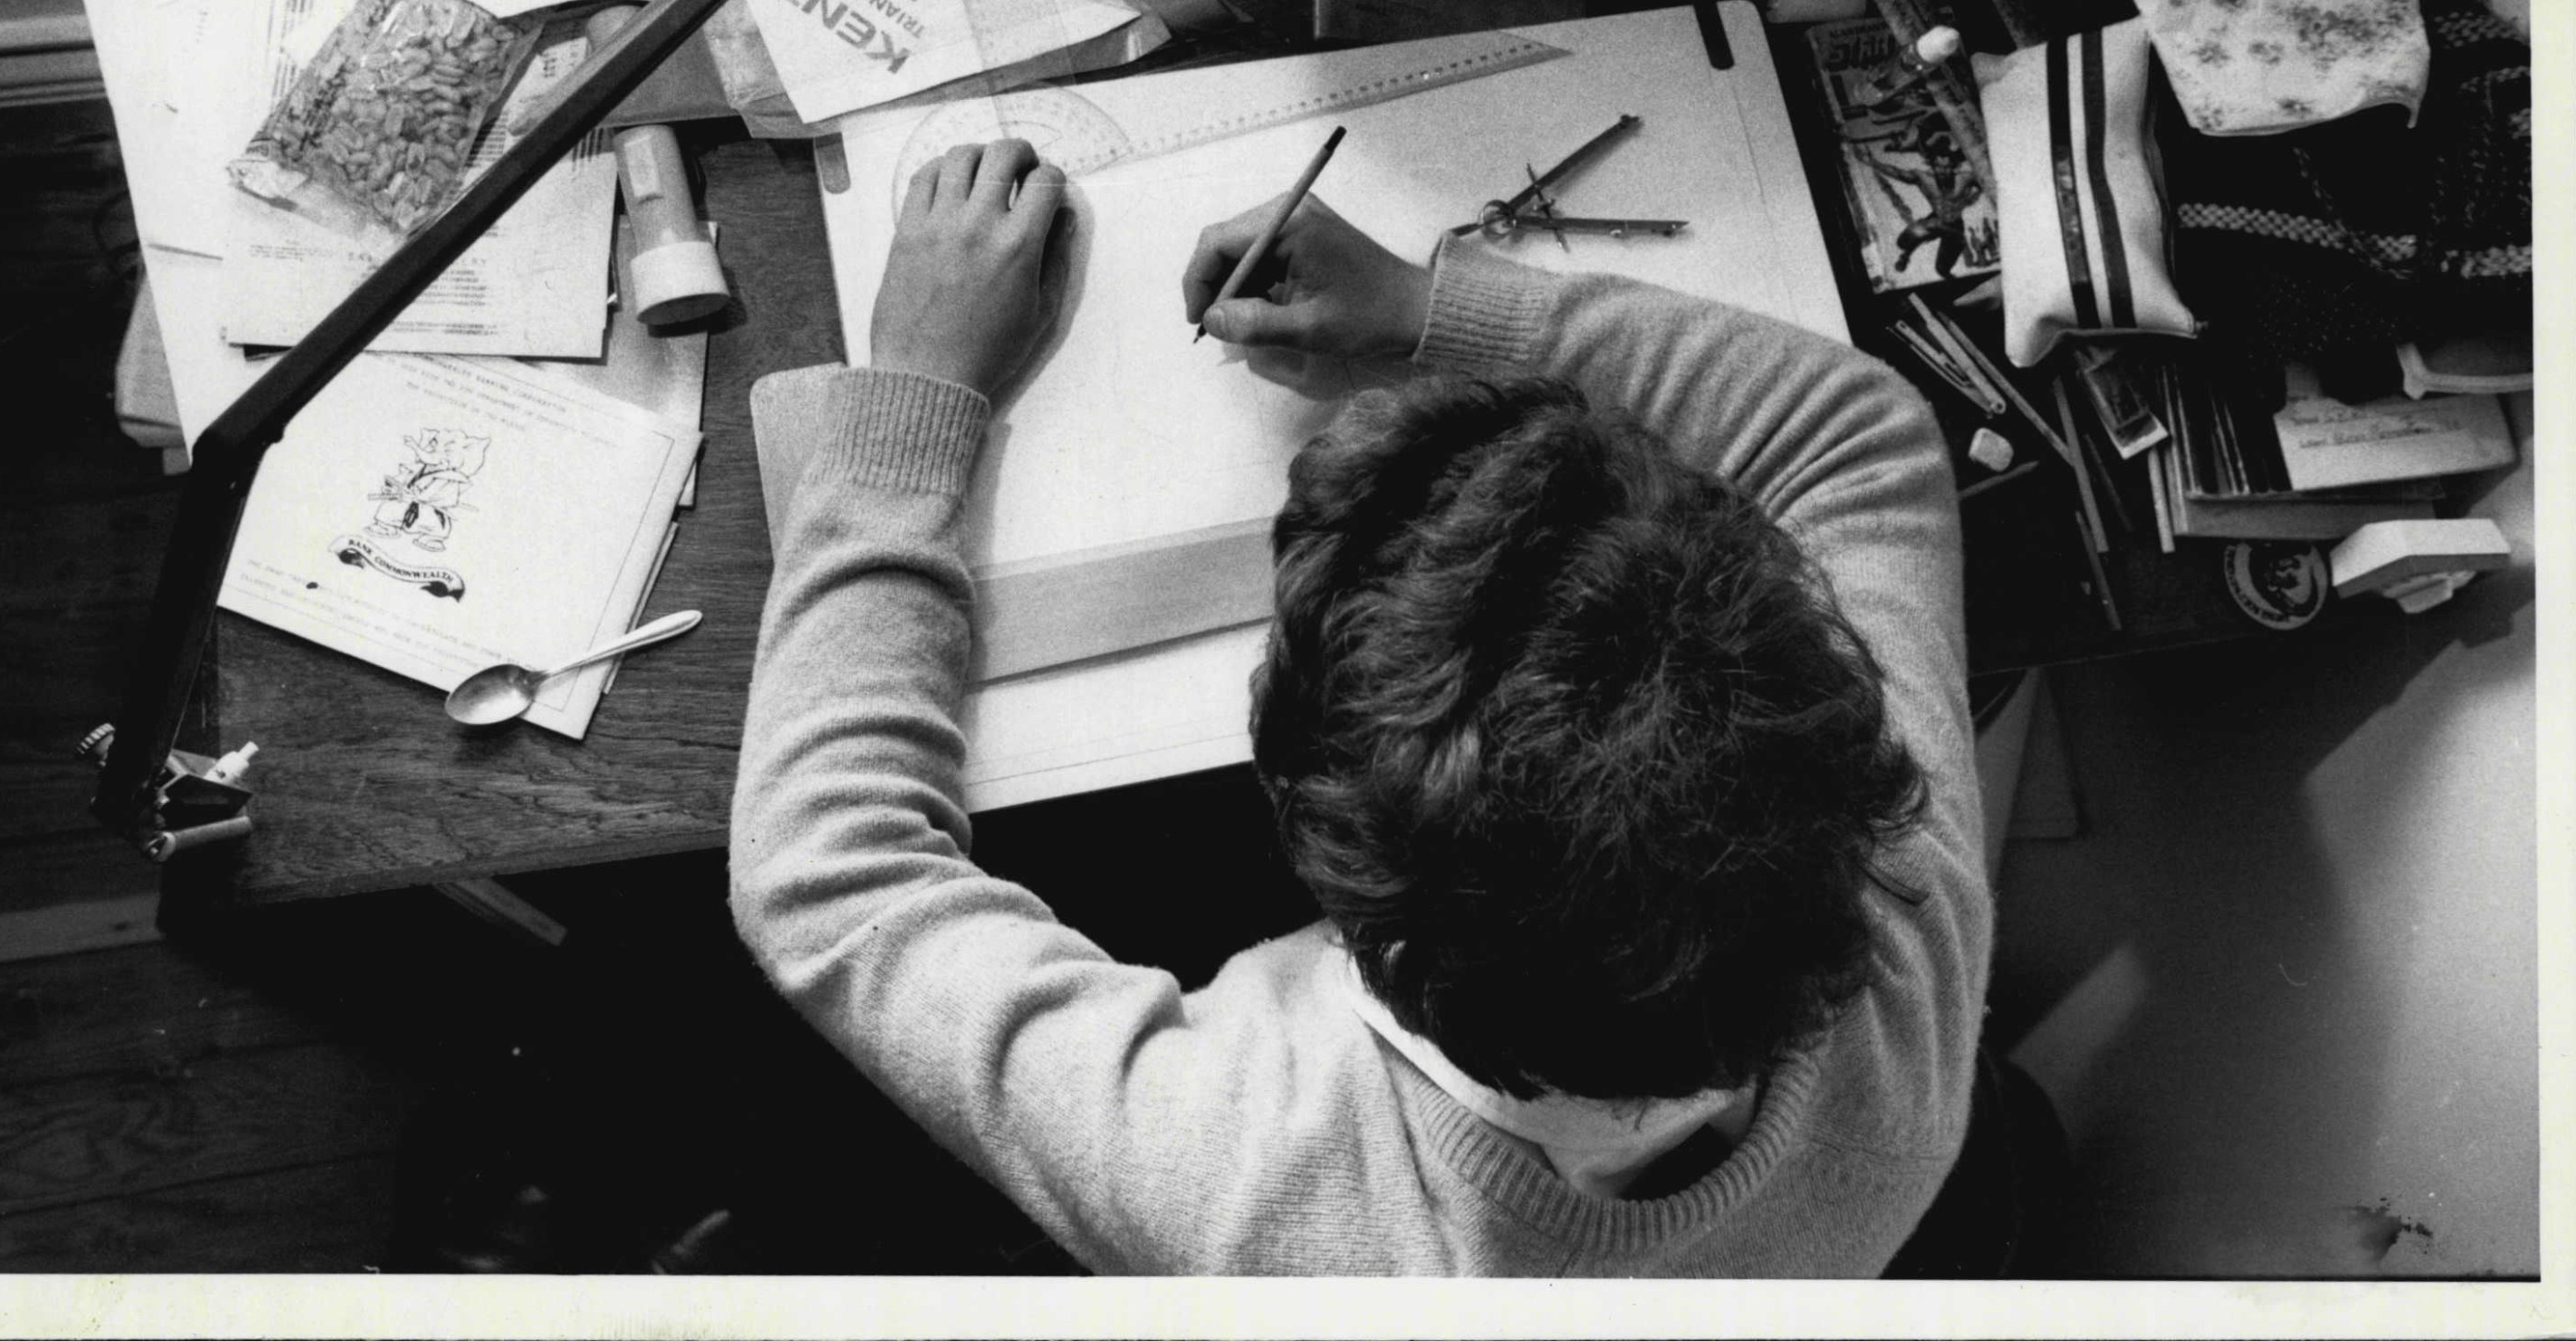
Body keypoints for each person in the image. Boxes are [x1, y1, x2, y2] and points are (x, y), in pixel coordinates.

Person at [729, 136, 1989, 1275]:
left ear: (1341, 884)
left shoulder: (1247, 1183)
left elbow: (826, 873)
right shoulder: (1906, 936)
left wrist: (915, 392)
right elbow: (1856, 434)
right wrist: (1423, 314)